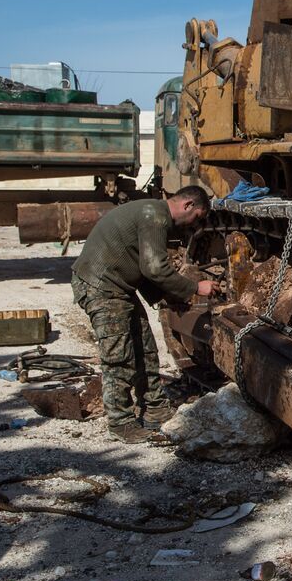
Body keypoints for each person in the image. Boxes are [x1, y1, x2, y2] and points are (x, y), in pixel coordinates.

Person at [71, 187, 217, 443]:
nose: (194, 224)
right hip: (101, 286)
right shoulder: (156, 216)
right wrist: (195, 287)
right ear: (187, 204)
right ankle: (120, 422)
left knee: (145, 347)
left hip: (117, 286)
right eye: (197, 217)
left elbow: (140, 267)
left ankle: (156, 409)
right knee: (119, 355)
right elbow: (154, 268)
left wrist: (167, 297)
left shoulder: (151, 212)